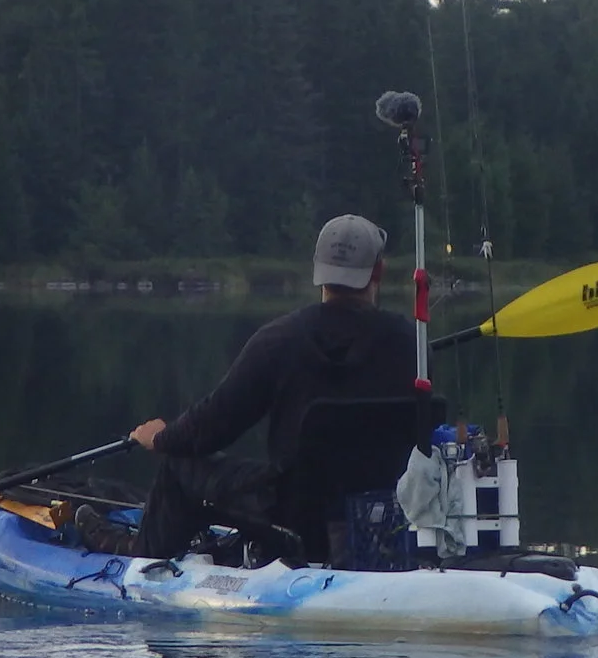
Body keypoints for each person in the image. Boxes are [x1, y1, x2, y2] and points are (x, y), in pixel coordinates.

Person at [77, 213, 417, 560]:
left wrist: (161, 438)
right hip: (380, 514)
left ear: (318, 270)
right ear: (378, 271)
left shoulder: (279, 340)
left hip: (290, 513)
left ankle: (143, 556)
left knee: (181, 465)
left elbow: (212, 427)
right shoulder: (410, 343)